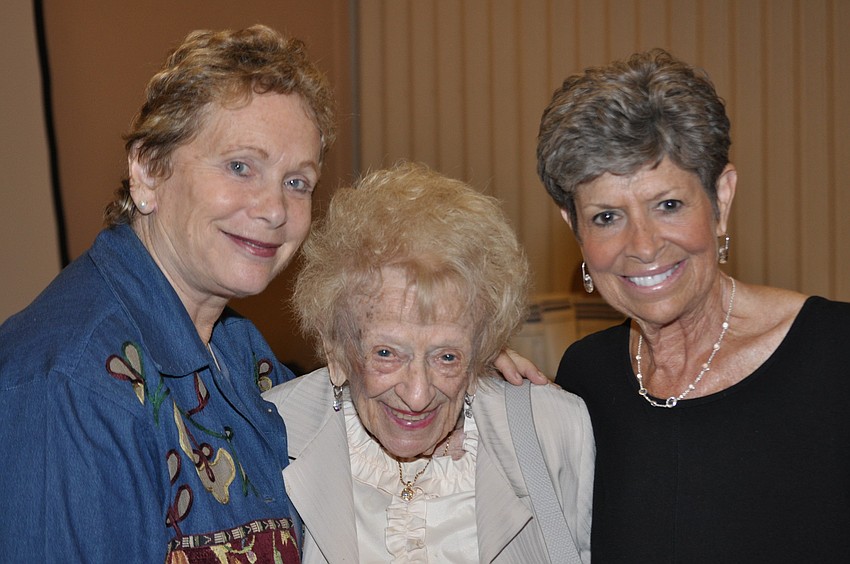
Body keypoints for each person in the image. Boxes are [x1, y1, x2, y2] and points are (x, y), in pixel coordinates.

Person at [0, 25, 543, 563]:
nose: (274, 209)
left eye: (297, 182)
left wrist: (447, 348)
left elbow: (366, 442)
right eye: (241, 167)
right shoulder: (69, 382)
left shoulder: (241, 352)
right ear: (147, 170)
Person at [536, 48, 850, 562]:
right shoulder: (585, 377)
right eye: (606, 217)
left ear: (720, 201)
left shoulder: (837, 354)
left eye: (668, 205)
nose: (642, 245)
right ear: (574, 228)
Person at [263, 162, 595, 563]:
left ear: (480, 355)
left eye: (447, 356)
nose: (417, 395)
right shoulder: (269, 434)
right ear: (336, 351)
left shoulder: (554, 431)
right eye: (386, 354)